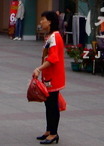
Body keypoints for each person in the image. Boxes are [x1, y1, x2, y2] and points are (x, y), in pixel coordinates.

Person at [33, 11, 66, 144]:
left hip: (53, 78)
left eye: (43, 19)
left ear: (50, 21)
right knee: (48, 105)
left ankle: (53, 133)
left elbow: (53, 58)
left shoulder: (54, 37)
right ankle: (49, 130)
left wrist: (38, 69)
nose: (41, 22)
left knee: (52, 106)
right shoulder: (50, 36)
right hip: (48, 77)